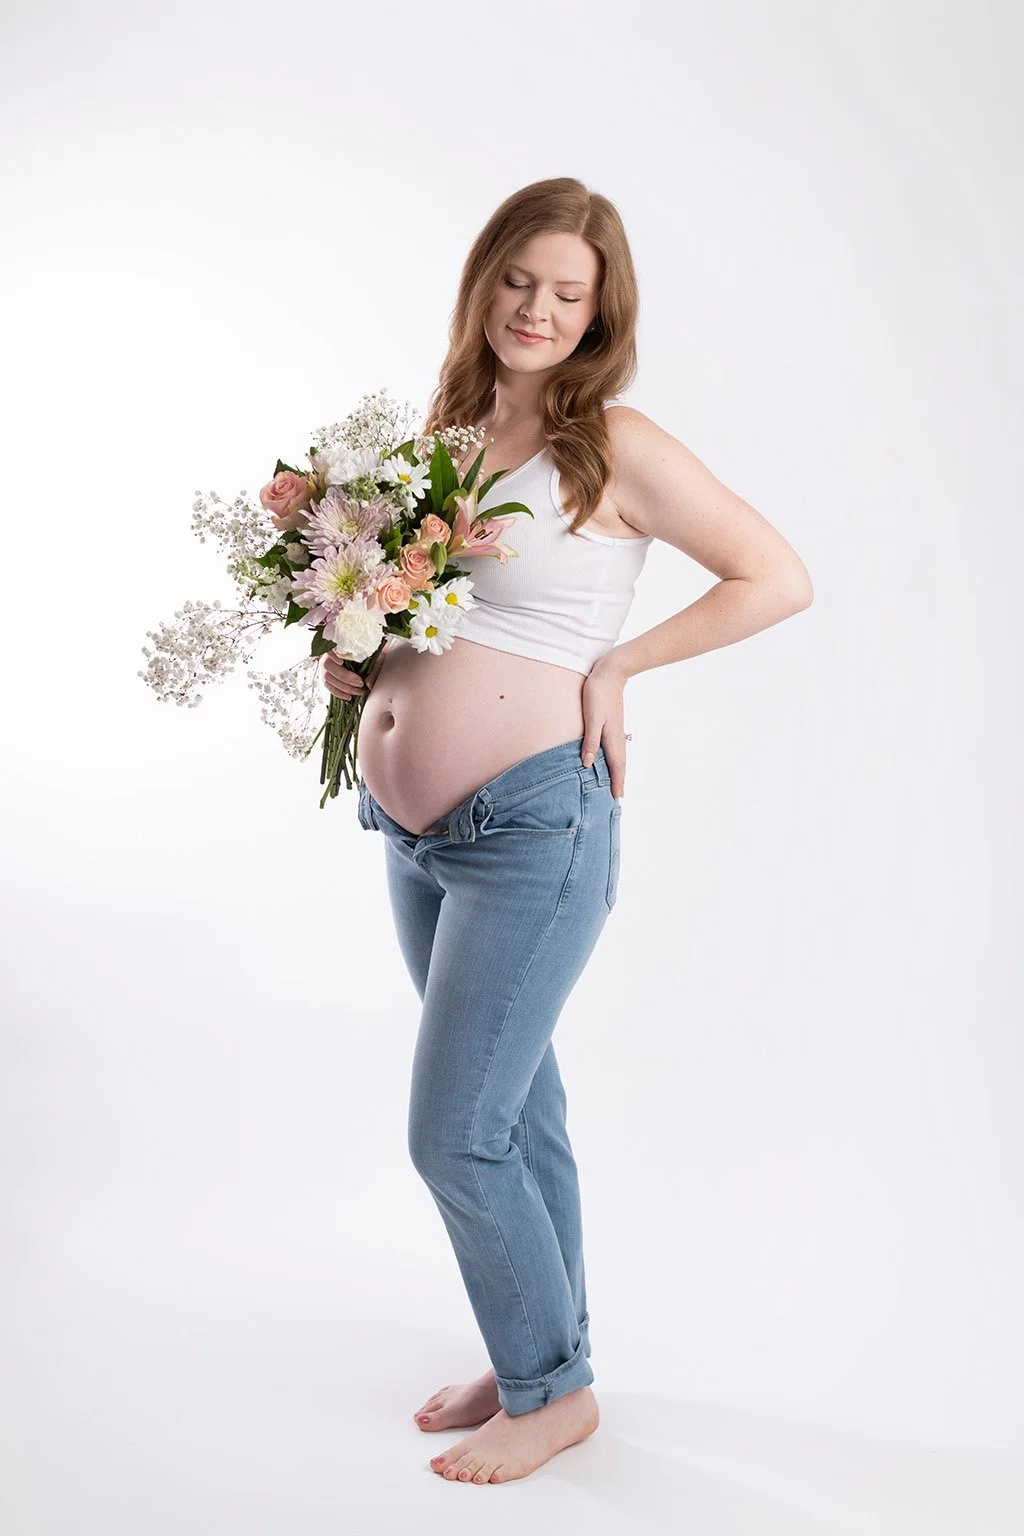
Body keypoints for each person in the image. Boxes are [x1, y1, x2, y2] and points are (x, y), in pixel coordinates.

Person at [323, 176, 813, 1485]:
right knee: (518, 1112)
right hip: (416, 834)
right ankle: (534, 1345)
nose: (536, 309)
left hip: (533, 828)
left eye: (567, 292)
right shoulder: (446, 433)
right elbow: (429, 614)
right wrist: (355, 653)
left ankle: (556, 1399)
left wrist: (621, 667)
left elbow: (778, 575)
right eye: (519, 280)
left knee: (457, 1133)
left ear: (600, 313)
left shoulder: (618, 445)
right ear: (485, 281)